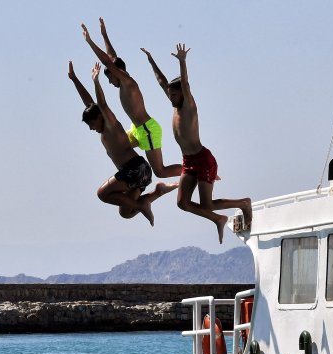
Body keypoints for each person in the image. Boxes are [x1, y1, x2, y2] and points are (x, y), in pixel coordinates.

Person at [142, 43, 252, 243]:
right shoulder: (175, 104)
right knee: (182, 203)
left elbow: (185, 83)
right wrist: (151, 61)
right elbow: (161, 81)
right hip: (188, 160)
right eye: (170, 94)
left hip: (202, 159)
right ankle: (218, 219)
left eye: (174, 94)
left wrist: (183, 62)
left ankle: (243, 203)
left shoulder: (189, 105)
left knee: (206, 204)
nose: (170, 98)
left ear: (183, 93)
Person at [68, 61, 176, 226]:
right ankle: (158, 192)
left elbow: (101, 104)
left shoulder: (111, 125)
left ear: (98, 118)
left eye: (91, 124)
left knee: (102, 194)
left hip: (135, 170)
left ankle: (141, 204)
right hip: (139, 174)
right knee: (125, 212)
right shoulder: (102, 126)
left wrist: (96, 81)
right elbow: (89, 103)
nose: (91, 129)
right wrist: (74, 79)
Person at [81, 18, 182, 181]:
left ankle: (192, 170)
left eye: (110, 78)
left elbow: (108, 61)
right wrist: (104, 35)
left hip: (147, 129)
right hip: (137, 130)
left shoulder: (128, 83)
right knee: (116, 146)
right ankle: (131, 181)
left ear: (117, 72)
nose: (110, 82)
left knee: (160, 172)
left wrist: (90, 41)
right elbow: (112, 57)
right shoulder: (122, 81)